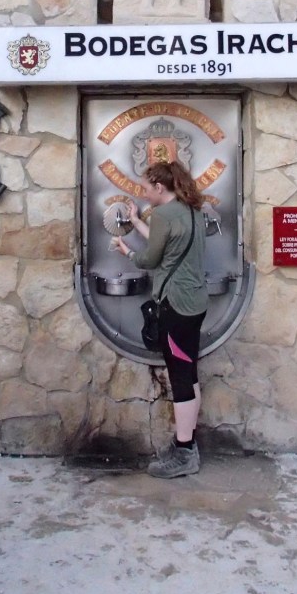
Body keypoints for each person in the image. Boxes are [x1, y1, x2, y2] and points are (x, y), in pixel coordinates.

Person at [116, 160, 209, 478]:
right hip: (195, 302)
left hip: (176, 306)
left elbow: (150, 258)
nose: (143, 193)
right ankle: (188, 442)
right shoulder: (191, 210)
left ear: (159, 187)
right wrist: (135, 221)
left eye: (145, 188)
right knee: (191, 373)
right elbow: (166, 243)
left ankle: (185, 454)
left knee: (181, 378)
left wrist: (126, 251)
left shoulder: (164, 215)